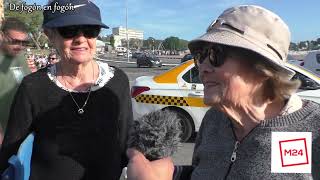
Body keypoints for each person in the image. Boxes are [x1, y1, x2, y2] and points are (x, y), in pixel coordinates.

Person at [126, 5, 320, 180]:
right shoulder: (214, 120)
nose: (202, 67)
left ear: (262, 69)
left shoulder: (313, 132)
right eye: (200, 57)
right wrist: (171, 175)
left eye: (214, 55)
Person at [0, 0, 133, 179]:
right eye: (69, 30)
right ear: (49, 34)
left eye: (90, 30)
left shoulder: (118, 81)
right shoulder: (32, 86)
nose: (81, 39)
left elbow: (126, 140)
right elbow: (10, 149)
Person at [0, 17, 31, 142]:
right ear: (2, 36)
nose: (20, 47)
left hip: (22, 131)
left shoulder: (21, 57)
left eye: (24, 43)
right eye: (15, 41)